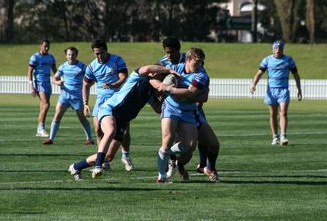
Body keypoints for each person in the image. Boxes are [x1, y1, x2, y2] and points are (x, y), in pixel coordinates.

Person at [68, 65, 180, 180]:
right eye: (158, 73)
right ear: (153, 73)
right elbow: (146, 69)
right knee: (110, 131)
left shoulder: (151, 91)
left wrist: (166, 93)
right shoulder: (138, 77)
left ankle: (76, 167)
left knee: (108, 156)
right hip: (110, 109)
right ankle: (98, 166)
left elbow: (157, 109)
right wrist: (168, 69)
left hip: (122, 120)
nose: (157, 77)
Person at [157, 37, 220, 182]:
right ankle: (162, 174)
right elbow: (152, 77)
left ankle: (174, 158)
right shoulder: (174, 68)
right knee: (168, 139)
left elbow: (195, 95)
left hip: (191, 111)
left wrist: (168, 89)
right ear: (188, 59)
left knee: (194, 146)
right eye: (196, 62)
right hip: (172, 109)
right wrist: (160, 88)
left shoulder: (201, 74)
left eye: (201, 63)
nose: (199, 65)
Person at [82, 39, 133, 171]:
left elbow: (123, 76)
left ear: (106, 50)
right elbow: (86, 84)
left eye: (101, 53)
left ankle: (125, 155)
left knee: (125, 129)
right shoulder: (92, 66)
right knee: (98, 130)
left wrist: (114, 84)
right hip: (101, 100)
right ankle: (103, 160)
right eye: (96, 53)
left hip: (118, 97)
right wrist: (85, 103)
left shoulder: (117, 60)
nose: (99, 56)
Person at [250, 40, 302, 146]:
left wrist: (299, 89)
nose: (278, 49)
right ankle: (275, 137)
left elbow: (296, 74)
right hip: (271, 91)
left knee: (283, 112)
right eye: (276, 48)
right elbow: (259, 73)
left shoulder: (288, 60)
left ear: (283, 49)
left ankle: (283, 136)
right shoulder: (267, 60)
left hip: (283, 90)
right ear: (273, 49)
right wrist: (253, 84)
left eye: (280, 48)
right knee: (273, 114)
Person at [42, 47, 94, 145]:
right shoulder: (63, 67)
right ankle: (50, 139)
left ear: (76, 55)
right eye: (69, 54)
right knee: (57, 116)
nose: (71, 56)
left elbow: (91, 78)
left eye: (73, 54)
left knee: (82, 118)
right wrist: (57, 82)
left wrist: (87, 86)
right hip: (64, 96)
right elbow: (54, 78)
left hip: (77, 96)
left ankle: (89, 138)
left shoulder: (82, 66)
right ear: (66, 55)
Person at [27, 39, 57, 137]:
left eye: (48, 46)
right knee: (46, 105)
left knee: (42, 106)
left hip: (47, 82)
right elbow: (29, 72)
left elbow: (55, 71)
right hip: (39, 82)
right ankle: (41, 128)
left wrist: (58, 80)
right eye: (45, 46)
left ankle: (39, 129)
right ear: (40, 46)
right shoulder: (35, 57)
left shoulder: (51, 57)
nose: (47, 48)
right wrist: (31, 86)